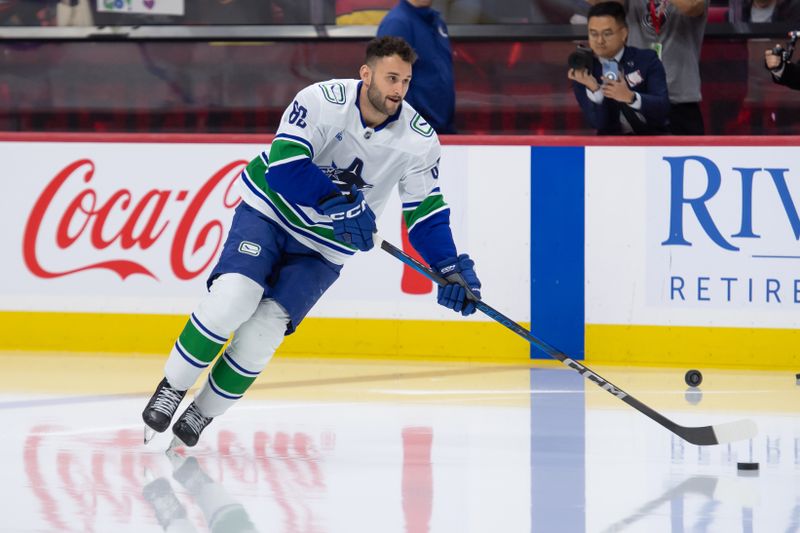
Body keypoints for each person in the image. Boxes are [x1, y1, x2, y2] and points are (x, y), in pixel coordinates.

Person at [141, 36, 482, 448]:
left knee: (264, 332)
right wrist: (338, 204)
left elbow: (424, 212)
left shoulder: (418, 140)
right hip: (270, 213)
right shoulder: (321, 100)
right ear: (366, 73)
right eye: (391, 78)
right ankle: (172, 387)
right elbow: (285, 164)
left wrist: (447, 267)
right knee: (235, 297)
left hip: (324, 248)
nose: (398, 90)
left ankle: (201, 413)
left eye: (406, 81)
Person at [599, 0, 707, 135]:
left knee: (686, 154)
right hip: (634, 100)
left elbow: (693, 6)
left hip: (679, 101)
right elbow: (599, 3)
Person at [568, 1, 669, 134]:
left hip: (650, 145)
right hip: (610, 149)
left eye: (607, 33)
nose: (599, 41)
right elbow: (597, 123)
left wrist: (631, 97)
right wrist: (595, 90)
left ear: (624, 33)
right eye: (593, 34)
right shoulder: (585, 69)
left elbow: (662, 109)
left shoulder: (647, 59)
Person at [377, 0, 456, 134]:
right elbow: (387, 84)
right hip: (415, 133)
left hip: (442, 130)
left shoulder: (436, 22)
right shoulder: (397, 23)